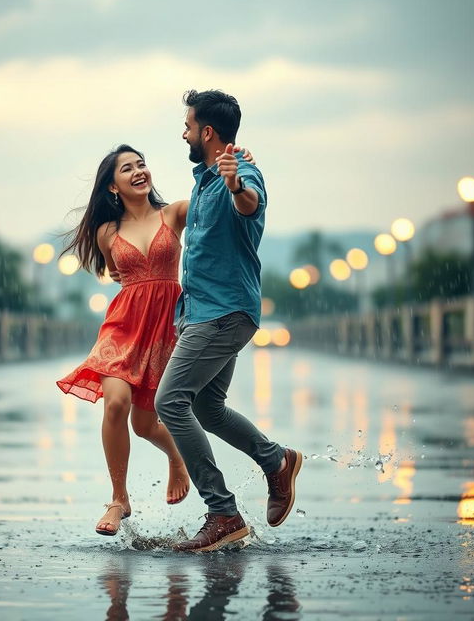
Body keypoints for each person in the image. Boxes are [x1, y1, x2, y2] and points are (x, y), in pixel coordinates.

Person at [155, 89, 302, 553]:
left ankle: (222, 511)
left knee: (171, 401)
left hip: (222, 314)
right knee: (207, 409)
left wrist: (237, 184)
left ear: (207, 131)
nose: (184, 132)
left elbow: (249, 202)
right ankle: (276, 461)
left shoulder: (240, 172)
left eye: (188, 125)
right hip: (206, 313)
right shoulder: (203, 180)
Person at [56, 144, 192, 536]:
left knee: (145, 425)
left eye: (142, 164)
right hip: (123, 326)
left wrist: (233, 172)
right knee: (115, 403)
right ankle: (118, 499)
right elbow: (120, 273)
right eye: (127, 168)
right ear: (113, 187)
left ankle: (177, 458)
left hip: (165, 328)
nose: (138, 171)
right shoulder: (106, 232)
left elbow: (214, 202)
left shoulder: (175, 213)